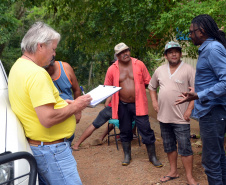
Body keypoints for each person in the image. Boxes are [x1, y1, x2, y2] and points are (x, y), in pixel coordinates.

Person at [8, 22, 92, 185]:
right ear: (40, 46)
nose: (54, 54)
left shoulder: (18, 67)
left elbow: (32, 103)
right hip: (52, 151)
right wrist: (76, 105)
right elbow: (47, 118)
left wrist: (62, 103)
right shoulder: (37, 73)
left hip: (41, 148)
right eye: (53, 49)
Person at [175, 14, 226, 185]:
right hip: (212, 112)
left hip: (213, 112)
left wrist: (199, 95)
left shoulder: (212, 49)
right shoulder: (209, 48)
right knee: (218, 157)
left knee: (211, 161)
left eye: (191, 32)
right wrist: (198, 90)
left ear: (201, 31)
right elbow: (215, 80)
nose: (189, 36)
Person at [104, 42, 162, 167]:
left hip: (139, 104)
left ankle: (152, 157)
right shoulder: (112, 69)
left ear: (129, 51)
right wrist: (107, 102)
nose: (124, 54)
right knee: (124, 130)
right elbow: (108, 88)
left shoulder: (139, 64)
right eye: (121, 53)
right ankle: (127, 156)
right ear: (117, 56)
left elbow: (149, 82)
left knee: (146, 129)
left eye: (126, 51)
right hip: (122, 105)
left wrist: (152, 97)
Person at [149, 41, 198, 184]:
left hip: (181, 117)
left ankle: (189, 177)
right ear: (165, 55)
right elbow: (152, 87)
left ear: (180, 53)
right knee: (169, 145)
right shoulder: (159, 70)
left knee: (185, 148)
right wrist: (154, 102)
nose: (174, 54)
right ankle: (173, 171)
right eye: (170, 52)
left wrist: (189, 110)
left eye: (176, 51)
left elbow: (195, 92)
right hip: (164, 117)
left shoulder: (189, 69)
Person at [45, 59, 81, 144]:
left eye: (46, 69)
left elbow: (76, 90)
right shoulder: (40, 73)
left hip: (69, 114)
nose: (44, 71)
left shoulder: (66, 68)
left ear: (52, 64)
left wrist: (78, 112)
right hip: (53, 115)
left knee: (68, 140)